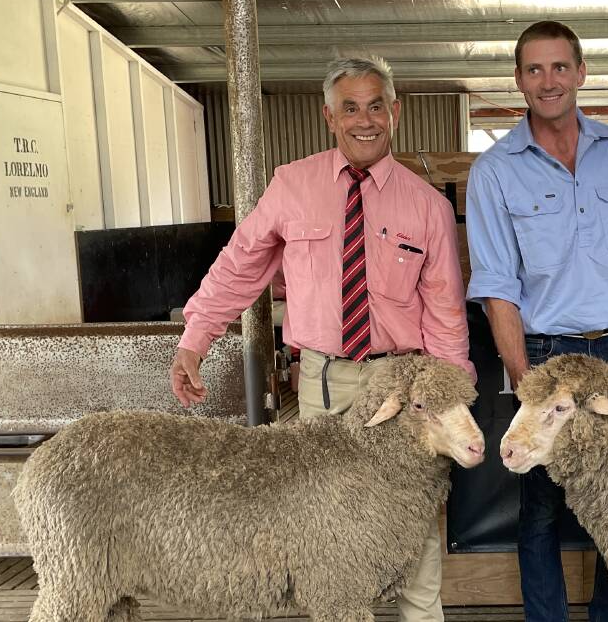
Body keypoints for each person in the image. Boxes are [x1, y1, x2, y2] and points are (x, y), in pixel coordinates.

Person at [169, 54, 472, 622]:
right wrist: (196, 338)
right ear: (329, 117)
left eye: (376, 106)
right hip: (324, 382)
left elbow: (446, 314)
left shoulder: (427, 205)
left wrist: (452, 399)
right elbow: (240, 266)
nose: (365, 120)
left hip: (405, 387)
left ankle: (422, 616)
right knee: (324, 522)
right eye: (350, 108)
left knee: (413, 515)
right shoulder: (293, 186)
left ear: (395, 113)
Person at [465, 20, 608, 622]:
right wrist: (524, 378)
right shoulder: (496, 171)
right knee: (540, 506)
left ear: (581, 73)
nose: (548, 80)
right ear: (518, 81)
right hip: (548, 356)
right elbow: (497, 288)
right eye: (535, 69)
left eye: (560, 67)